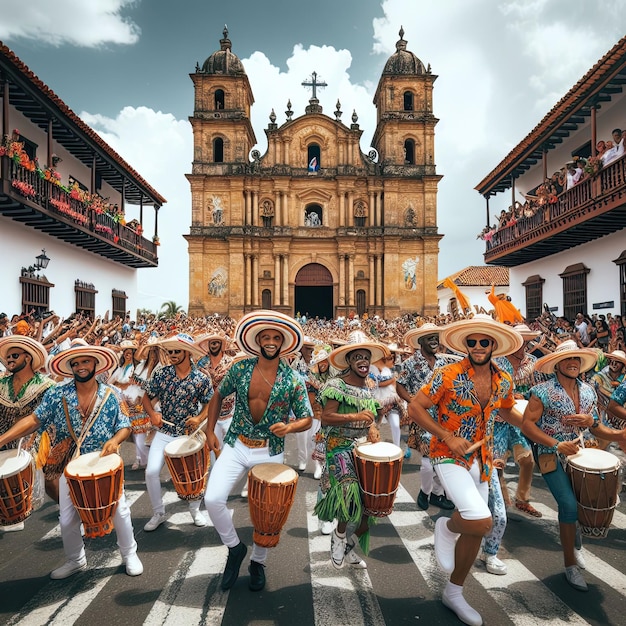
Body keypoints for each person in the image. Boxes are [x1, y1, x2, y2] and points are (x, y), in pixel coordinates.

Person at [408, 315, 525, 626]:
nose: (476, 346)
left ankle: (454, 591)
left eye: (483, 342)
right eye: (471, 342)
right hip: (447, 455)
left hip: (482, 459)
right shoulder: (446, 374)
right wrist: (447, 435)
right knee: (479, 517)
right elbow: (415, 408)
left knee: (477, 528)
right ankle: (446, 527)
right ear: (465, 345)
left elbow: (507, 410)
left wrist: (537, 427)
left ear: (494, 346)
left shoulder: (504, 379)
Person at [0, 343, 143, 579]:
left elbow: (125, 426)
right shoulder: (58, 393)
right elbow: (34, 419)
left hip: (104, 463)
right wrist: (3, 438)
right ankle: (75, 560)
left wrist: (116, 441)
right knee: (67, 519)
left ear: (95, 364)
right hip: (70, 464)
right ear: (70, 368)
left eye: (85, 361)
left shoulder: (111, 394)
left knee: (120, 511)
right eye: (75, 363)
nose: (80, 366)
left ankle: (129, 554)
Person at [204, 310, 313, 592]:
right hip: (237, 444)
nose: (271, 341)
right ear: (258, 341)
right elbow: (218, 395)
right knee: (213, 498)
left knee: (267, 514)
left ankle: (258, 562)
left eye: (276, 337)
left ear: (283, 343)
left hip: (270, 450)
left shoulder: (292, 378)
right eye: (266, 336)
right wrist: (208, 430)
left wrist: (289, 428)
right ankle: (235, 548)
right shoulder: (240, 369)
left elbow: (307, 418)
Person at [522, 340, 626, 592]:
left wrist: (614, 433)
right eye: (568, 359)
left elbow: (596, 426)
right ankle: (570, 565)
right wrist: (556, 444)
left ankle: (576, 547)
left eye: (576, 359)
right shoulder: (542, 391)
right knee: (568, 505)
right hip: (550, 455)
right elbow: (527, 424)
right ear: (557, 363)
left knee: (579, 505)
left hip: (581, 454)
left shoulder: (589, 390)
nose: (573, 363)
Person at [314, 331, 385, 571]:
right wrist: (354, 416)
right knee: (348, 493)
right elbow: (325, 417)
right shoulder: (336, 385)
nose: (363, 361)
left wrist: (373, 426)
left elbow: (373, 415)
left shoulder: (369, 388)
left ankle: (349, 547)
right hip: (338, 447)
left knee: (368, 509)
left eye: (366, 357)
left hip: (362, 447)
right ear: (349, 361)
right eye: (357, 357)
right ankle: (339, 535)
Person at [142, 333, 214, 531]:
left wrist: (199, 418)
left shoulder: (201, 377)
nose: (172, 354)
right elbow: (146, 399)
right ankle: (158, 513)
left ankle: (194, 510)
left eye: (177, 351)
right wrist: (152, 415)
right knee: (151, 471)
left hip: (189, 435)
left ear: (187, 353)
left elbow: (210, 402)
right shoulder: (161, 374)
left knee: (193, 476)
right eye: (170, 351)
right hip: (165, 431)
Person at [397, 323, 454, 511]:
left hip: (443, 417)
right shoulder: (410, 363)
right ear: (420, 341)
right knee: (429, 462)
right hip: (422, 417)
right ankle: (424, 491)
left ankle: (437, 494)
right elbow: (400, 385)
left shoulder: (444, 362)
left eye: (436, 338)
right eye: (430, 338)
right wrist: (412, 401)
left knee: (443, 458)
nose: (434, 341)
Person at [0, 335, 55, 529]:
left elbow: (45, 419)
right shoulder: (1, 386)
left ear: (28, 358)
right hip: (4, 442)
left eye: (15, 355)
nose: (9, 360)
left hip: (35, 441)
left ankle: (73, 510)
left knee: (52, 485)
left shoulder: (47, 387)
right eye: (8, 357)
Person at [492, 324, 544, 517]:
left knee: (527, 460)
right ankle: (502, 504)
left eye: (527, 342)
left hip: (519, 421)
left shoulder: (532, 362)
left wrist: (529, 399)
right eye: (521, 342)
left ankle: (522, 500)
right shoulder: (497, 362)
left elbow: (538, 389)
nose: (524, 347)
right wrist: (511, 398)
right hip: (497, 421)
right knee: (497, 465)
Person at [108, 340, 151, 470]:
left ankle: (146, 459)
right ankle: (141, 459)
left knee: (139, 435)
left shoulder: (138, 368)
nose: (128, 355)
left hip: (136, 404)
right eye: (126, 353)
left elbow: (139, 384)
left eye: (130, 353)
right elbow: (110, 383)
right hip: (124, 405)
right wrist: (121, 385)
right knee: (130, 434)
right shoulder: (120, 369)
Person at [197, 331, 235, 464]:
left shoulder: (230, 363)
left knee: (230, 449)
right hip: (211, 415)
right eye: (212, 343)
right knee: (213, 449)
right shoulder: (201, 364)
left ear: (221, 344)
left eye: (216, 342)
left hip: (229, 413)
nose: (214, 345)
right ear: (208, 345)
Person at [591, 349, 626, 450]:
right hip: (602, 417)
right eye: (612, 360)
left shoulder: (623, 380)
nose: (614, 363)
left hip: (620, 421)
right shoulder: (598, 378)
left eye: (618, 362)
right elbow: (592, 395)